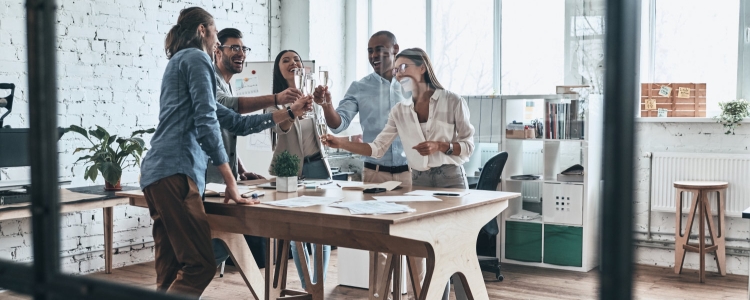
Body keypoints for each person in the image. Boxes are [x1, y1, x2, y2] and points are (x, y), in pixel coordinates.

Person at [138, 7, 311, 297]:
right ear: (203, 31)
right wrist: (232, 183)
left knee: (169, 270)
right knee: (200, 265)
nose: (217, 43)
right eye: (216, 34)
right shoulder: (197, 58)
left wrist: (286, 112)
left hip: (156, 173)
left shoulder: (177, 63)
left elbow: (230, 119)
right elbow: (207, 122)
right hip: (177, 172)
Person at [322, 47, 474, 300]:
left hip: (451, 178)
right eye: (396, 69)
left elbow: (468, 146)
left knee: (453, 249)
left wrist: (441, 146)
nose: (398, 72)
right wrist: (341, 143)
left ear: (423, 67)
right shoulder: (400, 111)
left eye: (404, 66)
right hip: (420, 181)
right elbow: (376, 148)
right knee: (428, 250)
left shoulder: (452, 101)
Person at [312, 30, 418, 295]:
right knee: (379, 244)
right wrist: (326, 105)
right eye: (370, 50)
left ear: (395, 49)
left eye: (380, 49)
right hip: (375, 175)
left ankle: (421, 294)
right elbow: (338, 125)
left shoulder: (413, 85)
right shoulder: (359, 87)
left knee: (416, 242)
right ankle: (379, 295)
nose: (374, 55)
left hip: (411, 175)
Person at [208, 27, 303, 270]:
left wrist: (240, 168)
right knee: (211, 251)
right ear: (217, 51)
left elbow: (225, 132)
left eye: (243, 48)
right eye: (234, 48)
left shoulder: (227, 84)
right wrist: (277, 100)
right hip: (208, 180)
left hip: (225, 177)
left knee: (219, 246)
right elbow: (231, 113)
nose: (240, 53)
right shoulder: (211, 81)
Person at [266, 49, 331, 291]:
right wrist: (294, 110)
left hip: (317, 167)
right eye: (286, 60)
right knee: (297, 232)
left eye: (296, 59)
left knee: (323, 232)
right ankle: (308, 288)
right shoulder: (274, 101)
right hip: (289, 170)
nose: (293, 63)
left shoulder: (315, 96)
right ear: (279, 69)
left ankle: (319, 286)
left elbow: (326, 127)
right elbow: (280, 128)